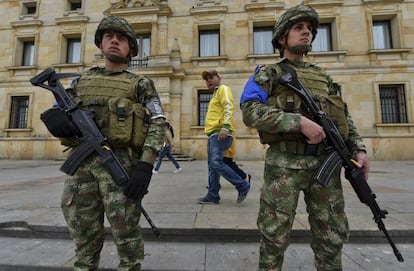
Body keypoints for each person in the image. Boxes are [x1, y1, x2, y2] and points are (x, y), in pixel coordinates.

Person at [240, 5, 370, 271]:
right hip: (284, 167)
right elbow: (250, 111)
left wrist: (358, 149)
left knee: (332, 237)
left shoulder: (323, 78)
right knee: (273, 237)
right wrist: (297, 122)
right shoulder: (268, 73)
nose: (306, 33)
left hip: (325, 167)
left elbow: (344, 117)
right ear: (281, 38)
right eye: (299, 28)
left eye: (309, 29)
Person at [59, 16, 165, 270]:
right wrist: (58, 123)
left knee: (127, 241)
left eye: (122, 38)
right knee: (83, 243)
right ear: (100, 43)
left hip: (122, 167)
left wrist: (145, 166)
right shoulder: (79, 82)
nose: (115, 41)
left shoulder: (141, 84)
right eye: (109, 37)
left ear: (131, 48)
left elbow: (158, 123)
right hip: (81, 170)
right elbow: (65, 116)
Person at [198, 70, 251, 204]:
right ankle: (213, 195)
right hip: (212, 134)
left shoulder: (223, 89)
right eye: (206, 79)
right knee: (212, 166)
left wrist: (225, 127)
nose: (208, 80)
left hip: (220, 133)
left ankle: (242, 185)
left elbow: (229, 106)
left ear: (219, 78)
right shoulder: (215, 95)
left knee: (216, 163)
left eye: (211, 77)